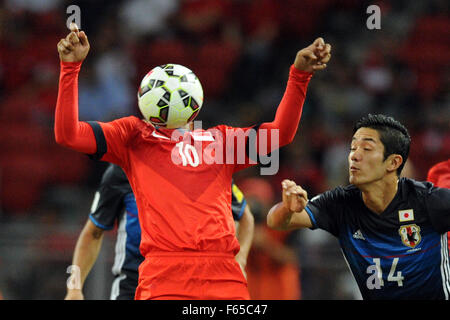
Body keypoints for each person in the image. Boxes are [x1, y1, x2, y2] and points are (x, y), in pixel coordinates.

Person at [55, 23, 331, 299]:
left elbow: (279, 134)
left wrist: (300, 75)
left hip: (223, 276)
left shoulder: (221, 142)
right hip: (164, 277)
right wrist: (70, 69)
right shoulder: (131, 137)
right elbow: (68, 134)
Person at [267, 114, 450, 299]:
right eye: (353, 148)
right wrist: (287, 208)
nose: (354, 155)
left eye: (367, 148)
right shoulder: (340, 203)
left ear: (393, 162)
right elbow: (275, 221)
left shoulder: (428, 201)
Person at [65, 163, 254, 300]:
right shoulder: (123, 169)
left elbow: (245, 217)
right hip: (131, 284)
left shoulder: (202, 164)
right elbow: (92, 233)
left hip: (186, 284)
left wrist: (241, 260)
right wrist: (74, 287)